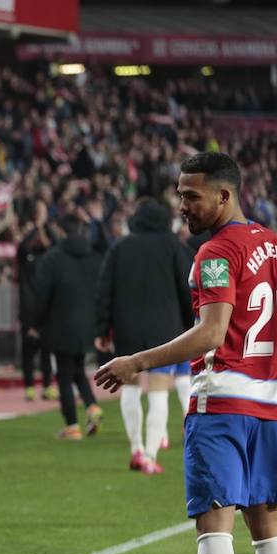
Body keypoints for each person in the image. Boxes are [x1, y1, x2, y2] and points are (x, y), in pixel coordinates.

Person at [97, 151, 277, 554]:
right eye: (180, 192)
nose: (182, 204)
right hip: (264, 405)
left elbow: (212, 333)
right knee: (267, 527)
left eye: (192, 194)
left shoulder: (215, 253)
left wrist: (137, 360)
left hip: (220, 406)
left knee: (214, 525)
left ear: (224, 195)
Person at [94, 198, 192, 473]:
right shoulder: (173, 246)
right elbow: (188, 290)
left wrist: (102, 329)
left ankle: (136, 448)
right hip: (166, 330)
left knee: (131, 387)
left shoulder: (121, 247)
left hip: (127, 328)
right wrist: (190, 326)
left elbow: (104, 290)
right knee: (159, 391)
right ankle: (150, 456)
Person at [33, 217, 104, 440]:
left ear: (61, 232)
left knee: (63, 376)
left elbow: (42, 295)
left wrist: (36, 323)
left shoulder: (52, 258)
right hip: (87, 324)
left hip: (60, 323)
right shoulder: (94, 257)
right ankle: (92, 406)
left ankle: (72, 426)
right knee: (78, 371)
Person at [16, 203, 58, 401]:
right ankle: (29, 387)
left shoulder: (49, 258)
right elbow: (21, 245)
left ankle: (48, 385)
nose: (40, 238)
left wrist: (45, 224)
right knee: (28, 351)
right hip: (28, 309)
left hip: (46, 310)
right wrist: (36, 225)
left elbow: (57, 244)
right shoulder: (26, 256)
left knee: (46, 350)